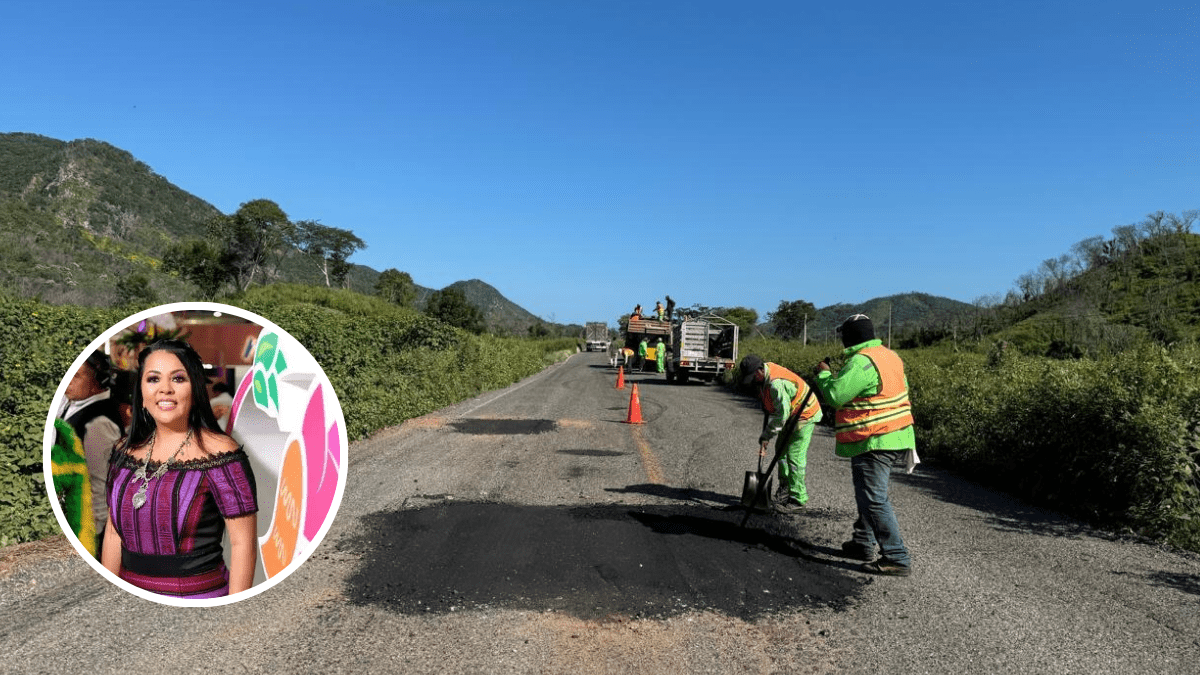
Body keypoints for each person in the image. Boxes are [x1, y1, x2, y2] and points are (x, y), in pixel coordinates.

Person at [102, 339, 258, 598]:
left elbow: (243, 544)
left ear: (195, 389)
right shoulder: (123, 452)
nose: (165, 389)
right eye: (153, 379)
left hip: (198, 596)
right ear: (140, 393)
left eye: (178, 379)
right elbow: (112, 533)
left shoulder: (221, 454)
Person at [815, 314, 916, 577]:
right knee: (867, 493)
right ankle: (862, 542)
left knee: (873, 498)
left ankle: (896, 556)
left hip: (875, 436)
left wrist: (824, 376)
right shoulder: (890, 356)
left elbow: (836, 396)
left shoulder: (862, 362)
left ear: (849, 337)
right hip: (895, 434)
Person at [59, 350, 124, 556]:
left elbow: (99, 482)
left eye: (76, 376)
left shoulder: (99, 422)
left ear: (98, 381)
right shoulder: (73, 403)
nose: (68, 382)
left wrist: (92, 530)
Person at [739, 354, 823, 513]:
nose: (753, 380)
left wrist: (766, 435)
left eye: (753, 376)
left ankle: (798, 498)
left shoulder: (776, 384)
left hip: (805, 413)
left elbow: (781, 416)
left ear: (759, 371)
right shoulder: (766, 370)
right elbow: (777, 405)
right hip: (791, 412)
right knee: (781, 451)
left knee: (794, 455)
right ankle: (785, 488)